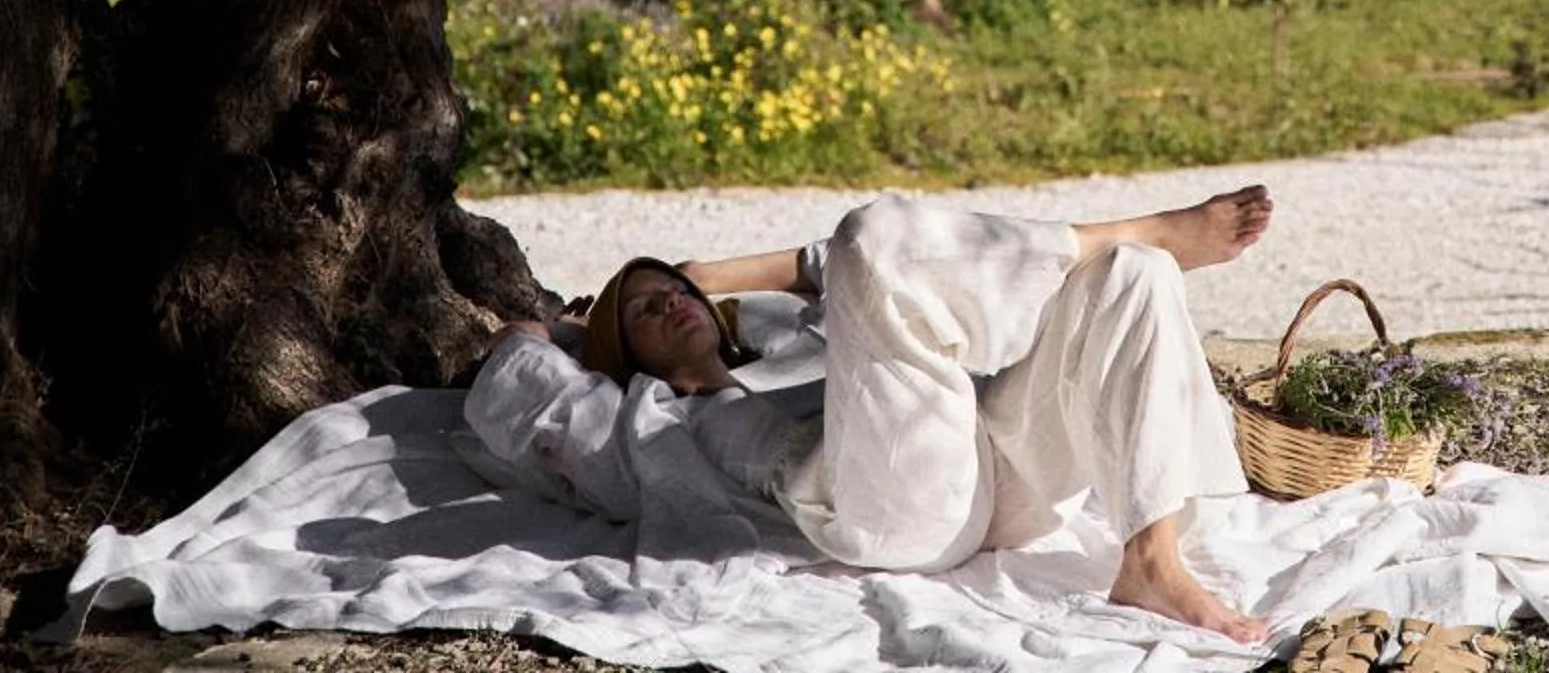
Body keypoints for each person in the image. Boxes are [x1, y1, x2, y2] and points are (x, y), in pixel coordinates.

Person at [477, 185, 1276, 643]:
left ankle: (1149, 561)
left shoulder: (788, 335)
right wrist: (568, 330)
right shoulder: (655, 421)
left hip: (994, 465)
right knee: (873, 232)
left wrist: (704, 272)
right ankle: (1145, 225)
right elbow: (516, 376)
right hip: (899, 509)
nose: (672, 303)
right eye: (646, 311)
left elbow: (829, 265)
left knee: (1135, 272)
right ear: (626, 356)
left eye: (677, 292)